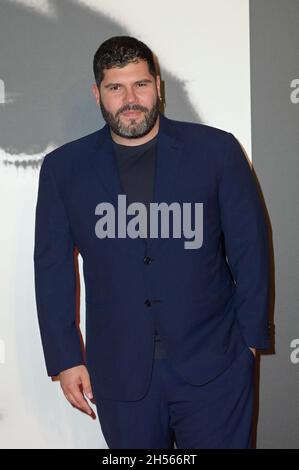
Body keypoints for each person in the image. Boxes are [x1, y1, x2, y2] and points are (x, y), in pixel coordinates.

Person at [34, 35, 271, 449]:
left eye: (140, 84)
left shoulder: (216, 151)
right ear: (98, 94)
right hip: (120, 371)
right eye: (115, 87)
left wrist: (248, 345)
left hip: (215, 366)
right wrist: (66, 357)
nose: (130, 98)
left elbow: (251, 250)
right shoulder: (64, 169)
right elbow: (52, 268)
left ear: (158, 86)